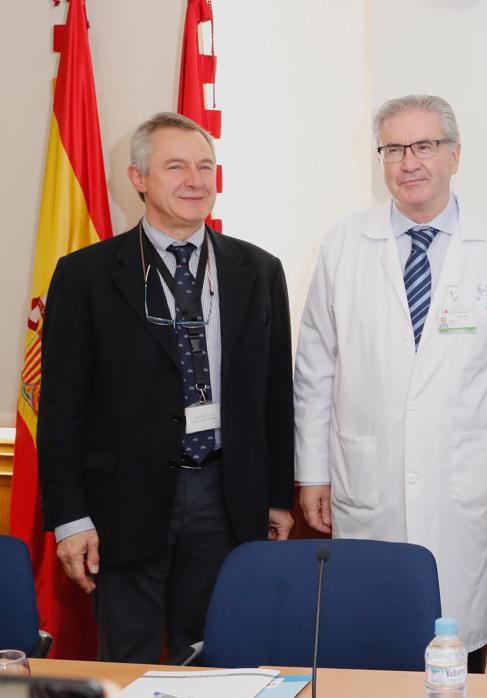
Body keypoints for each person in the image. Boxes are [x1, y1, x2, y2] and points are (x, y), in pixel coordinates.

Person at [38, 112, 295, 662]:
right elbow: (60, 410)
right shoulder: (84, 276)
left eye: (205, 166)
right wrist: (70, 518)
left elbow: (275, 395)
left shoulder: (260, 270)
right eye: (176, 166)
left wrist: (276, 496)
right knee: (127, 661)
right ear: (138, 177)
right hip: (123, 503)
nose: (195, 181)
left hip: (226, 496)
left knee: (215, 659)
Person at [293, 95, 487, 656]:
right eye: (394, 149)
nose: (409, 163)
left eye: (424, 146)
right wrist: (312, 473)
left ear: (454, 154)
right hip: (365, 478)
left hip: (463, 481)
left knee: (456, 640)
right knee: (369, 639)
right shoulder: (344, 245)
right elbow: (314, 372)